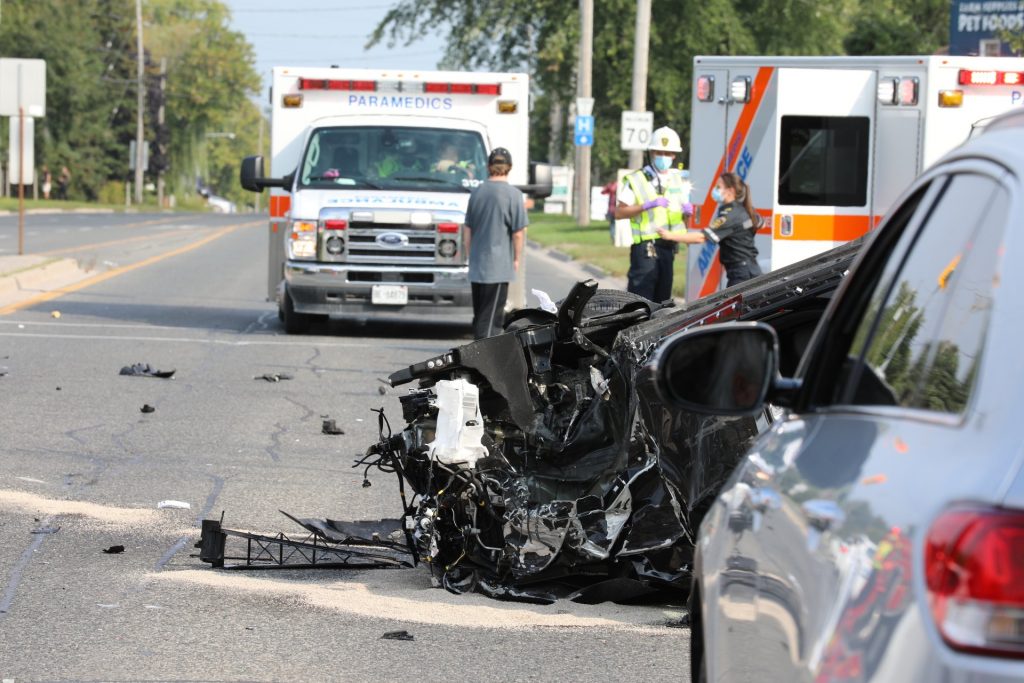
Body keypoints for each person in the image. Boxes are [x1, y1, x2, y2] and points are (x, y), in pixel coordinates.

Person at [615, 126, 704, 303]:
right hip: (645, 249)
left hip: (668, 248)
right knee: (641, 302)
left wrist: (688, 214)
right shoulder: (637, 179)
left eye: (668, 153)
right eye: (659, 152)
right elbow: (619, 212)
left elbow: (685, 222)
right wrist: (646, 205)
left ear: (674, 156)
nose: (664, 157)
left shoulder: (679, 180)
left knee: (662, 303)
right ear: (652, 153)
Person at [464, 147, 528, 339]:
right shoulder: (513, 195)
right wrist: (516, 258)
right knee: (492, 319)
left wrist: (470, 254)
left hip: (477, 264)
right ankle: (482, 357)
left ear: (489, 166)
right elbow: (518, 233)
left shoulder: (476, 193)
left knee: (480, 313)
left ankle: (477, 353)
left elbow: (468, 230)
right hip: (498, 265)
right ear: (509, 167)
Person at [700, 172, 762, 287]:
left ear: (730, 191)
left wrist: (669, 236)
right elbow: (759, 222)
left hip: (742, 273)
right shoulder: (742, 209)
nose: (715, 190)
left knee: (734, 304)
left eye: (718, 187)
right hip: (749, 269)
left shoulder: (730, 214)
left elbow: (701, 237)